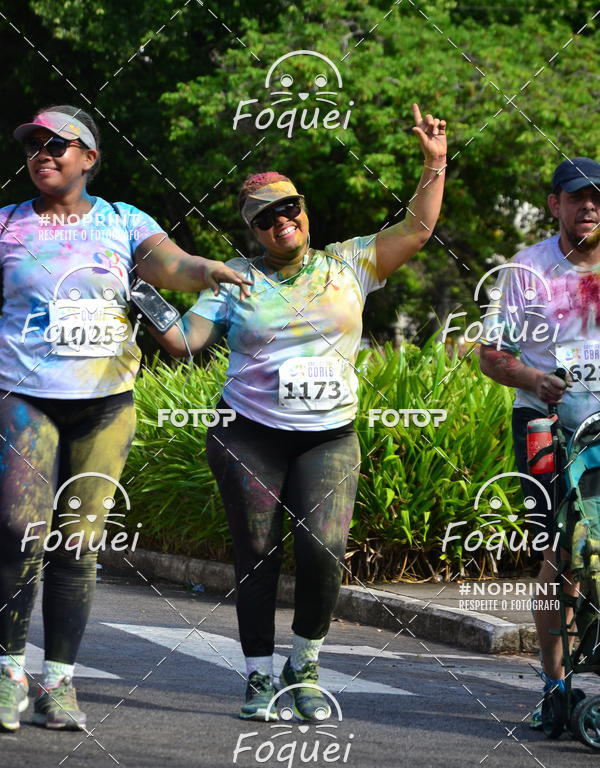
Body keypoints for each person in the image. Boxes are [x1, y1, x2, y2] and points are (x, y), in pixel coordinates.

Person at [154, 104, 447, 720]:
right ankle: (259, 674)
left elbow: (417, 231)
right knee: (257, 549)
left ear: (304, 212)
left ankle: (305, 665)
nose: (281, 221)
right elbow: (187, 343)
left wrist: (434, 164)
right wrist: (149, 308)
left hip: (327, 437)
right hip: (249, 434)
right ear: (254, 232)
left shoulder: (350, 263)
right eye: (266, 218)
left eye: (290, 208)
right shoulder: (234, 278)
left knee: (323, 549)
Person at [0, 105, 248, 732]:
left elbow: (173, 266)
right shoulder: (6, 225)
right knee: (17, 527)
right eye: (34, 145)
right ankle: (7, 671)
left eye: (60, 144)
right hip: (23, 397)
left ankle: (58, 682)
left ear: (90, 158)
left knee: (77, 543)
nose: (44, 154)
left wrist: (208, 271)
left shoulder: (122, 221)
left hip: (105, 405)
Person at [480, 156, 600, 726]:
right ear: (555, 204)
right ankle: (555, 685)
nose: (589, 207)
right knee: (560, 554)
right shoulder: (528, 271)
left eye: (597, 197)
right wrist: (533, 378)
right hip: (544, 425)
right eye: (577, 197)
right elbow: (492, 355)